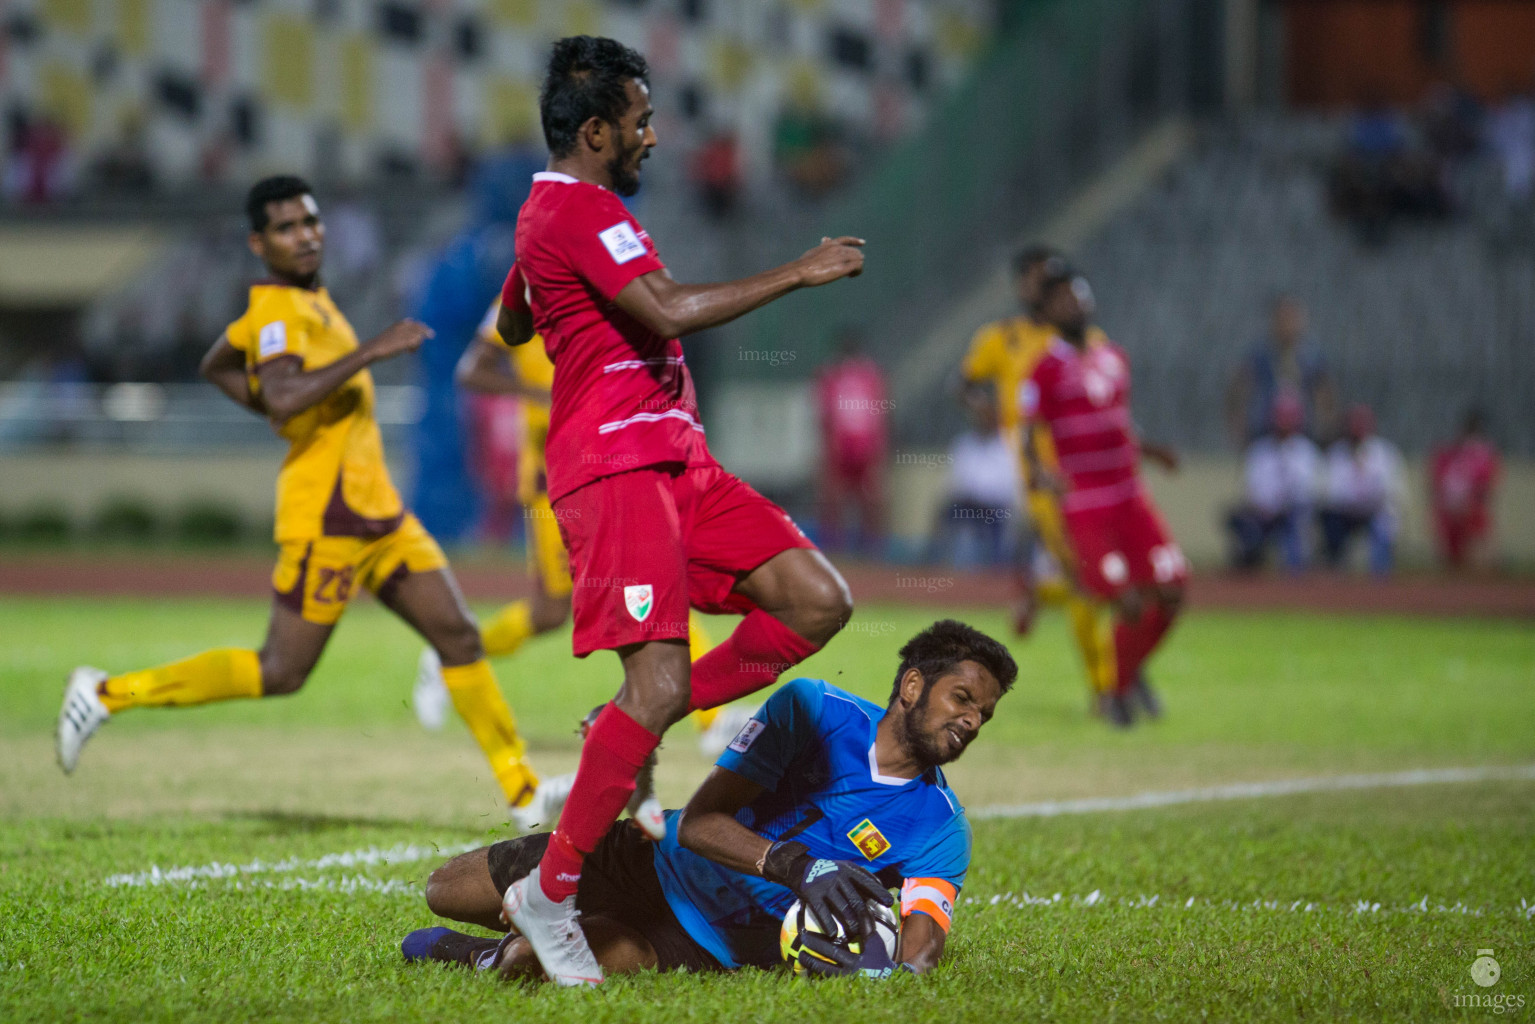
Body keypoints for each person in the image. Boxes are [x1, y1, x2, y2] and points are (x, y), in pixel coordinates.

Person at [498, 36, 866, 985]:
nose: (652, 137)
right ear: (593, 131)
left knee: (816, 600)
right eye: (639, 121)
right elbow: (662, 310)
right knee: (654, 690)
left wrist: (560, 317)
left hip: (678, 463)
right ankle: (550, 888)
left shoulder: (552, 212)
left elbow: (511, 322)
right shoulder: (576, 209)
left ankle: (627, 721)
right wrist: (798, 270)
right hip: (618, 468)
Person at [54, 176, 544, 820]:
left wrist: (273, 393)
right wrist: (370, 350)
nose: (305, 234)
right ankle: (108, 692)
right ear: (259, 243)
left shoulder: (308, 303)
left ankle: (524, 792)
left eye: (311, 220)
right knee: (281, 670)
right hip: (328, 518)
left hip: (378, 514)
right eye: (286, 227)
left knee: (457, 634)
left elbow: (218, 364)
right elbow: (284, 393)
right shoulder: (280, 311)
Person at [400, 619, 1017, 980]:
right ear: (913, 685)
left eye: (984, 713)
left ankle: (487, 956)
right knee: (443, 890)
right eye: (962, 698)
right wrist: (805, 868)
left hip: (707, 938)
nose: (972, 720)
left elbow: (922, 941)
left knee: (529, 965)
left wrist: (887, 965)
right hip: (654, 856)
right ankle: (525, 927)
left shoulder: (942, 830)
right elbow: (699, 823)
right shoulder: (813, 711)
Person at [415, 291, 755, 834]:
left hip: (608, 462)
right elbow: (472, 371)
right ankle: (451, 655)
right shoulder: (523, 293)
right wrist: (539, 393)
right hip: (556, 471)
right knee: (555, 608)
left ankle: (711, 719)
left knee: (649, 581)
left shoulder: (602, 285)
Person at [1021, 264, 1186, 728]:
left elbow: (1119, 422)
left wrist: (1152, 451)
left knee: (1173, 591)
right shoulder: (1044, 370)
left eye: (1079, 294)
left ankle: (1128, 674)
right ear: (1049, 311)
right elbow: (1030, 434)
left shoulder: (1114, 356)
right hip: (1086, 504)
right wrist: (1039, 472)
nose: (1074, 303)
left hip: (1131, 495)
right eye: (1062, 298)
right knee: (1126, 600)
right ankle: (1115, 689)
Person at [960, 245, 1117, 706]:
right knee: (1088, 574)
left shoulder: (1088, 341)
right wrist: (985, 410)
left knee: (1105, 576)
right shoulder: (1002, 337)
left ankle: (1037, 592)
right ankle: (1107, 687)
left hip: (1090, 469)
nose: (1042, 288)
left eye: (1050, 279)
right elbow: (965, 383)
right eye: (1034, 278)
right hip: (1040, 476)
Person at [814, 328, 889, 554]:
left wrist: (881, 446)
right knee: (834, 498)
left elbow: (880, 412)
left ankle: (872, 548)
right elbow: (824, 413)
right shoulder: (830, 375)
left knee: (870, 499)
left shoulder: (870, 375)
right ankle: (833, 546)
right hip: (840, 446)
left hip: (864, 446)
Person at [1226, 295, 1336, 448]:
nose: (1287, 325)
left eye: (1292, 319)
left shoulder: (1312, 357)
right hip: (1264, 434)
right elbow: (1238, 392)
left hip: (1304, 434)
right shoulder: (1259, 355)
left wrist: (1325, 430)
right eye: (1283, 319)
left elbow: (1325, 396)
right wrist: (1239, 429)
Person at [1225, 394, 1319, 573]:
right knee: (1241, 521)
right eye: (1280, 417)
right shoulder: (1259, 450)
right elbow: (1251, 488)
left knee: (1296, 523)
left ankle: (1296, 572)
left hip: (1292, 512)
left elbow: (1307, 490)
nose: (1283, 424)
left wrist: (1282, 506)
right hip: (1263, 514)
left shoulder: (1306, 451)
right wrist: (1264, 507)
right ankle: (1249, 571)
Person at [1318, 404, 1402, 577]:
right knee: (1330, 521)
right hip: (1345, 514)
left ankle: (1380, 576)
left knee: (1385, 523)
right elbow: (1330, 493)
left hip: (1375, 512)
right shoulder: (1336, 453)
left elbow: (1390, 490)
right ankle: (1336, 571)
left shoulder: (1384, 453)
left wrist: (1367, 500)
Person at [1430, 409, 1500, 571]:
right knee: (1452, 561)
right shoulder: (1449, 454)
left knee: (1479, 559)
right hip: (1449, 512)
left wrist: (1469, 505)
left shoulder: (1483, 454)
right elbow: (1436, 485)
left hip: (1472, 511)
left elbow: (1486, 488)